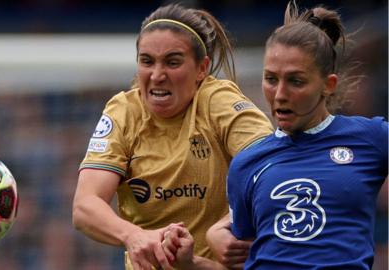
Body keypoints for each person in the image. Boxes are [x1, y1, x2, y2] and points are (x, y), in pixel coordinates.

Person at [72, 3, 273, 270]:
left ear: (202, 69)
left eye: (172, 62)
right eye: (147, 61)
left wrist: (226, 226)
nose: (157, 75)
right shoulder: (124, 112)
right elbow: (85, 206)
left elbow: (273, 170)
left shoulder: (218, 101)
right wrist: (134, 236)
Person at [218, 1, 387, 269]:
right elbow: (243, 256)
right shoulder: (246, 164)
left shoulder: (372, 138)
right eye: (271, 79)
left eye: (296, 81)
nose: (280, 94)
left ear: (328, 85)